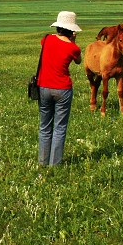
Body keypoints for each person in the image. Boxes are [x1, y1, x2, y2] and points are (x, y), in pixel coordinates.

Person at [36, 11, 82, 166]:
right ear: (72, 30)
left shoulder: (46, 39)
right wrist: (73, 41)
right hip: (63, 89)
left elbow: (47, 46)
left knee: (45, 126)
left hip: (44, 87)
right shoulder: (73, 48)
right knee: (60, 128)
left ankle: (42, 162)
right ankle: (54, 165)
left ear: (58, 26)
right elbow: (78, 61)